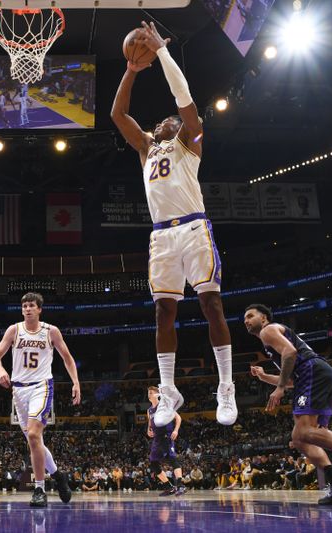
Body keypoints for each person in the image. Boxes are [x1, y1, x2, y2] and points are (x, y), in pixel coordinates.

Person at [110, 21, 237, 429]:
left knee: (210, 304)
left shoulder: (190, 141)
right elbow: (118, 113)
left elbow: (183, 98)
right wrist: (131, 69)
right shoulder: (146, 148)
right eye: (166, 120)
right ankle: (169, 391)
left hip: (194, 227)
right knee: (163, 313)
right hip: (161, 235)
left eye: (175, 120)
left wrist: (162, 51)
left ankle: (226, 386)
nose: (171, 120)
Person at [244, 303, 332, 505]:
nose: (246, 321)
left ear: (264, 318)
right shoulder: (271, 342)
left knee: (305, 431)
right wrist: (265, 377)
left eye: (250, 316)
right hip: (312, 376)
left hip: (313, 374)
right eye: (244, 319)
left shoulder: (268, 330)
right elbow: (292, 380)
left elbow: (290, 353)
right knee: (300, 438)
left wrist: (280, 387)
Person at [0, 292, 81, 507]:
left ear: (39, 309)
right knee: (35, 441)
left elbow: (67, 358)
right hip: (18, 391)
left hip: (42, 387)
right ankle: (59, 476)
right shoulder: (14, 330)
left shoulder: (51, 331)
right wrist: (1, 370)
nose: (28, 309)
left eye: (32, 305)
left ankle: (39, 489)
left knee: (32, 434)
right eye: (24, 306)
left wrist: (76, 382)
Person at [146, 386, 185, 496]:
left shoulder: (163, 405)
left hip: (166, 436)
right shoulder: (149, 410)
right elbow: (150, 423)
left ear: (157, 394)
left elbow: (178, 418)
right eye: (148, 392)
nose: (149, 394)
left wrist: (176, 430)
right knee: (153, 464)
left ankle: (180, 486)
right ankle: (170, 487)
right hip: (156, 439)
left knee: (172, 459)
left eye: (151, 392)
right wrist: (148, 430)